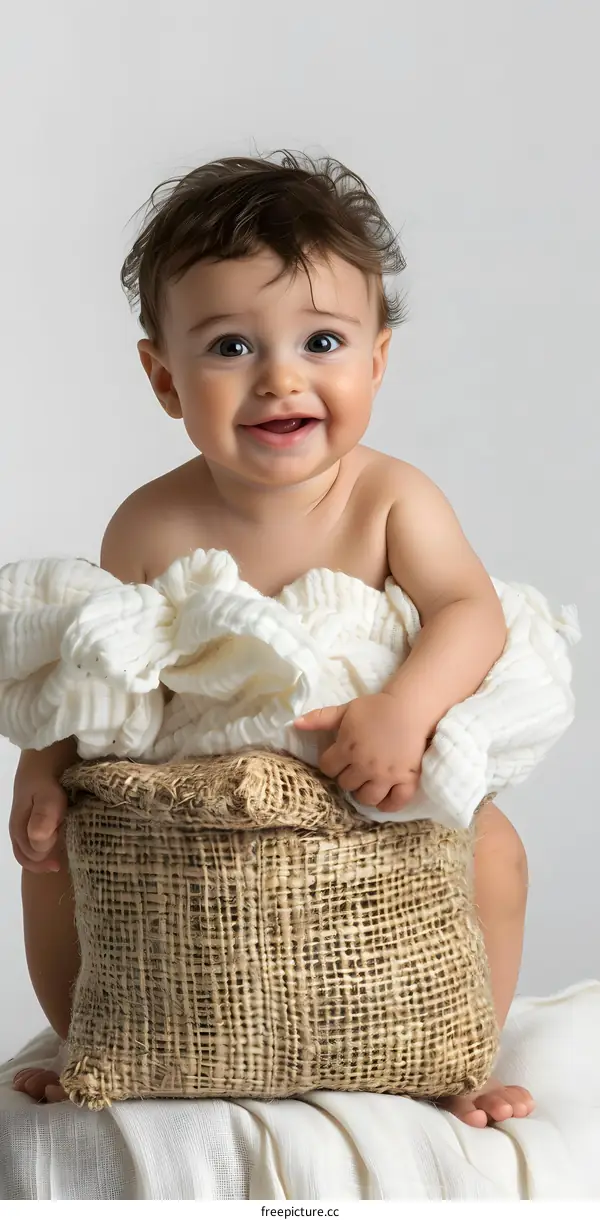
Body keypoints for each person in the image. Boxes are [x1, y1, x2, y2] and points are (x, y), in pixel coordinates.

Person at [10, 152, 533, 1125]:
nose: (281, 377)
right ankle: (95, 1038)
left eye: (322, 339)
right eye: (231, 348)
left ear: (376, 359)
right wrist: (41, 766)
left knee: (493, 845)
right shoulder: (150, 525)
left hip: (360, 783)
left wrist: (405, 708)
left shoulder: (390, 498)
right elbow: (94, 665)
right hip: (195, 806)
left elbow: (472, 609)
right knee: (57, 854)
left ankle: (465, 1051)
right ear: (165, 377)